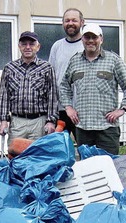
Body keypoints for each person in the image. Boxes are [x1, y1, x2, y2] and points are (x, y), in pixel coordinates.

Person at [59, 23, 126, 155]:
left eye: (94, 37)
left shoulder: (113, 60)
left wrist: (122, 108)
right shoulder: (75, 61)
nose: (90, 41)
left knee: (109, 166)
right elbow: (64, 86)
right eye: (87, 37)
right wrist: (68, 107)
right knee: (88, 169)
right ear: (82, 39)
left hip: (107, 128)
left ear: (101, 39)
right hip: (83, 128)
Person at [0, 31, 58, 146]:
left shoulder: (47, 68)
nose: (28, 47)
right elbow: (4, 96)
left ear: (38, 47)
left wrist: (51, 121)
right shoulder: (9, 68)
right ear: (19, 46)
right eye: (24, 44)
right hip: (17, 123)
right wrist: (3, 121)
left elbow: (52, 96)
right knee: (15, 158)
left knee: (38, 158)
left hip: (39, 122)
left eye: (31, 44)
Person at [48, 8, 85, 140]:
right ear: (63, 23)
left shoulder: (87, 45)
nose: (70, 23)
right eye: (67, 20)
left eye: (74, 20)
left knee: (84, 150)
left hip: (82, 109)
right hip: (61, 109)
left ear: (82, 22)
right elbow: (51, 78)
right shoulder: (57, 46)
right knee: (59, 151)